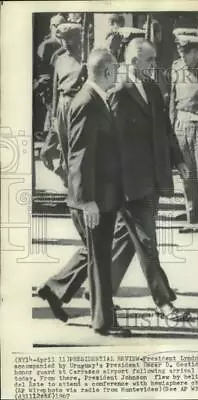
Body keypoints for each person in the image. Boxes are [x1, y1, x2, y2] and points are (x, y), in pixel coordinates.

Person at [38, 38, 191, 324]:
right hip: (126, 182)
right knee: (146, 243)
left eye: (155, 59)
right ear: (133, 61)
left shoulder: (153, 88)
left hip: (146, 179)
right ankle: (164, 302)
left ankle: (62, 289)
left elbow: (165, 128)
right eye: (149, 60)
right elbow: (107, 142)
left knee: (111, 244)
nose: (154, 65)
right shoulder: (117, 90)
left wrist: (178, 159)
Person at [40, 48, 130, 337]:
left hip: (101, 195)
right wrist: (87, 201)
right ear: (106, 72)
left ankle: (55, 289)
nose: (118, 73)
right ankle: (103, 322)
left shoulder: (95, 99)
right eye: (115, 69)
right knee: (101, 257)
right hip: (94, 198)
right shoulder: (88, 102)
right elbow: (80, 155)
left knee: (96, 253)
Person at [169, 35, 198, 235]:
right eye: (180, 53)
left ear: (196, 53)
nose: (182, 57)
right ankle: (193, 219)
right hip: (181, 126)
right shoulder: (176, 68)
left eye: (185, 53)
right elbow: (172, 98)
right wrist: (171, 127)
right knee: (187, 176)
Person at [48, 22, 87, 185]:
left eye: (69, 38)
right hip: (63, 104)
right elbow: (55, 89)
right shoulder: (59, 60)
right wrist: (53, 116)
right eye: (62, 39)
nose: (66, 42)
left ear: (78, 39)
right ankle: (69, 181)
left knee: (78, 146)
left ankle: (79, 183)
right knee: (64, 146)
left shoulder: (85, 59)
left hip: (79, 104)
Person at [35, 14, 65, 149]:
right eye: (57, 25)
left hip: (60, 84)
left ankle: (52, 142)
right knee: (54, 113)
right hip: (49, 86)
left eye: (63, 25)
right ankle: (51, 146)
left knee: (56, 115)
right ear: (51, 27)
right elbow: (42, 68)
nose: (60, 29)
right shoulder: (47, 45)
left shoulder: (64, 43)